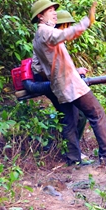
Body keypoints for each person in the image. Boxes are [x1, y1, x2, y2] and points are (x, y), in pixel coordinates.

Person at [30, 0, 106, 168]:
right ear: (40, 16)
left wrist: (55, 73)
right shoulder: (45, 31)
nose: (54, 13)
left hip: (59, 86)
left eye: (54, 10)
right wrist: (86, 21)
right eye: (50, 10)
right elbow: (64, 34)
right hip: (70, 84)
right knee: (97, 114)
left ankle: (73, 159)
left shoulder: (37, 38)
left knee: (69, 121)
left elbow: (36, 66)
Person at [31, 9, 88, 158]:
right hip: (51, 84)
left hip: (59, 82)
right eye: (67, 26)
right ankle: (70, 152)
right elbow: (38, 66)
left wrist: (74, 71)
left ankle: (71, 149)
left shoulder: (54, 40)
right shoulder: (47, 37)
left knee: (77, 115)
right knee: (72, 116)